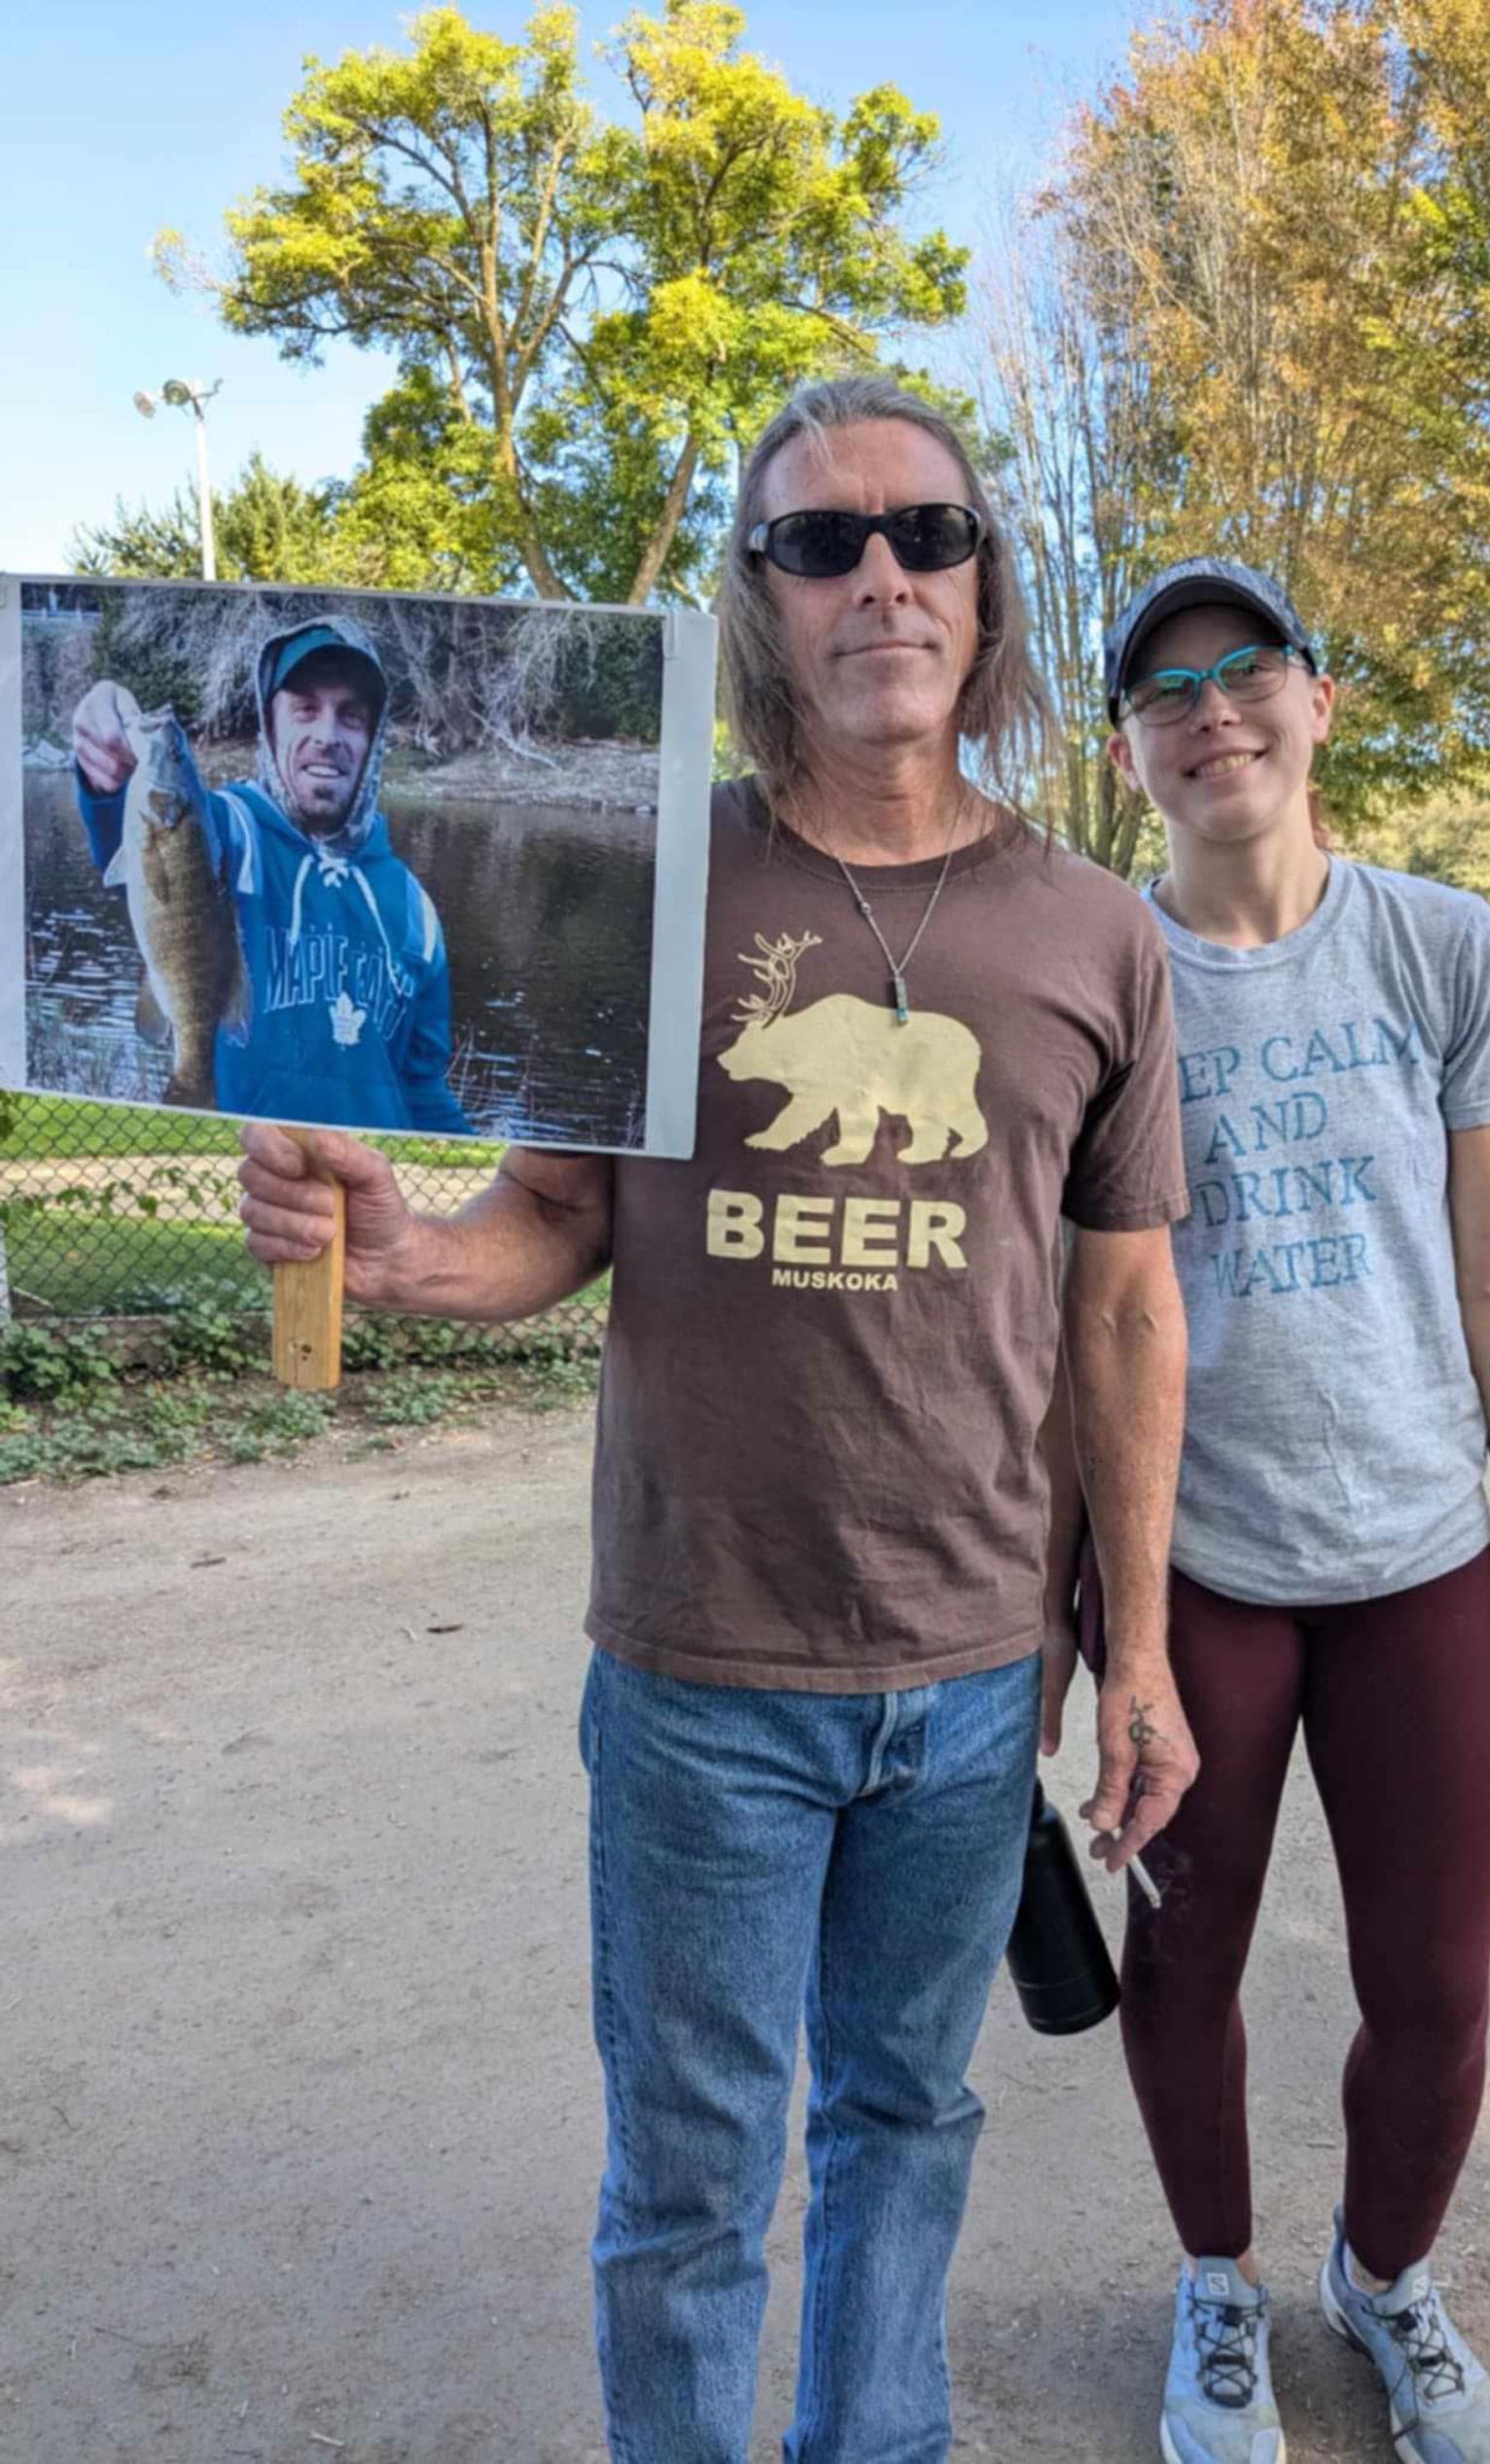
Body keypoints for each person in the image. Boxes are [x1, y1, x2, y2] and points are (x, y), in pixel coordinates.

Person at [235, 375, 1198, 2464]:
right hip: (693, 1668)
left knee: (902, 2125)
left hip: (970, 1682)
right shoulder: (666, 901)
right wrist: (396, 1258)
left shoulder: (1096, 933)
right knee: (684, 2185)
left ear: (985, 582)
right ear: (755, 597)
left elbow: (1125, 1316)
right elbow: (552, 1221)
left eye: (924, 535)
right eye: (818, 542)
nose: (879, 578)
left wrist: (1133, 1650)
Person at [1043, 557, 1490, 2464]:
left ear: (1320, 703)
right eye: (1168, 692)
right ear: (1124, 752)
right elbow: (1086, 1319)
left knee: (1430, 1980)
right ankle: (1214, 2287)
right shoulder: (1107, 972)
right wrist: (1108, 1630)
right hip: (1198, 1574)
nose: (1213, 710)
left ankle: (1384, 2278)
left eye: (1249, 671)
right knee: (1184, 1957)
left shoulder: (1437, 950)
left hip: (1414, 1557)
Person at [70, 615, 473, 1133]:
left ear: (373, 740)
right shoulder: (231, 834)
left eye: (350, 716)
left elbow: (424, 1087)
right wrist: (107, 760)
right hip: (245, 1176)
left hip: (371, 1190)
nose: (327, 736)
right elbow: (138, 846)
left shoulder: (418, 913)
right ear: (271, 723)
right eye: (305, 709)